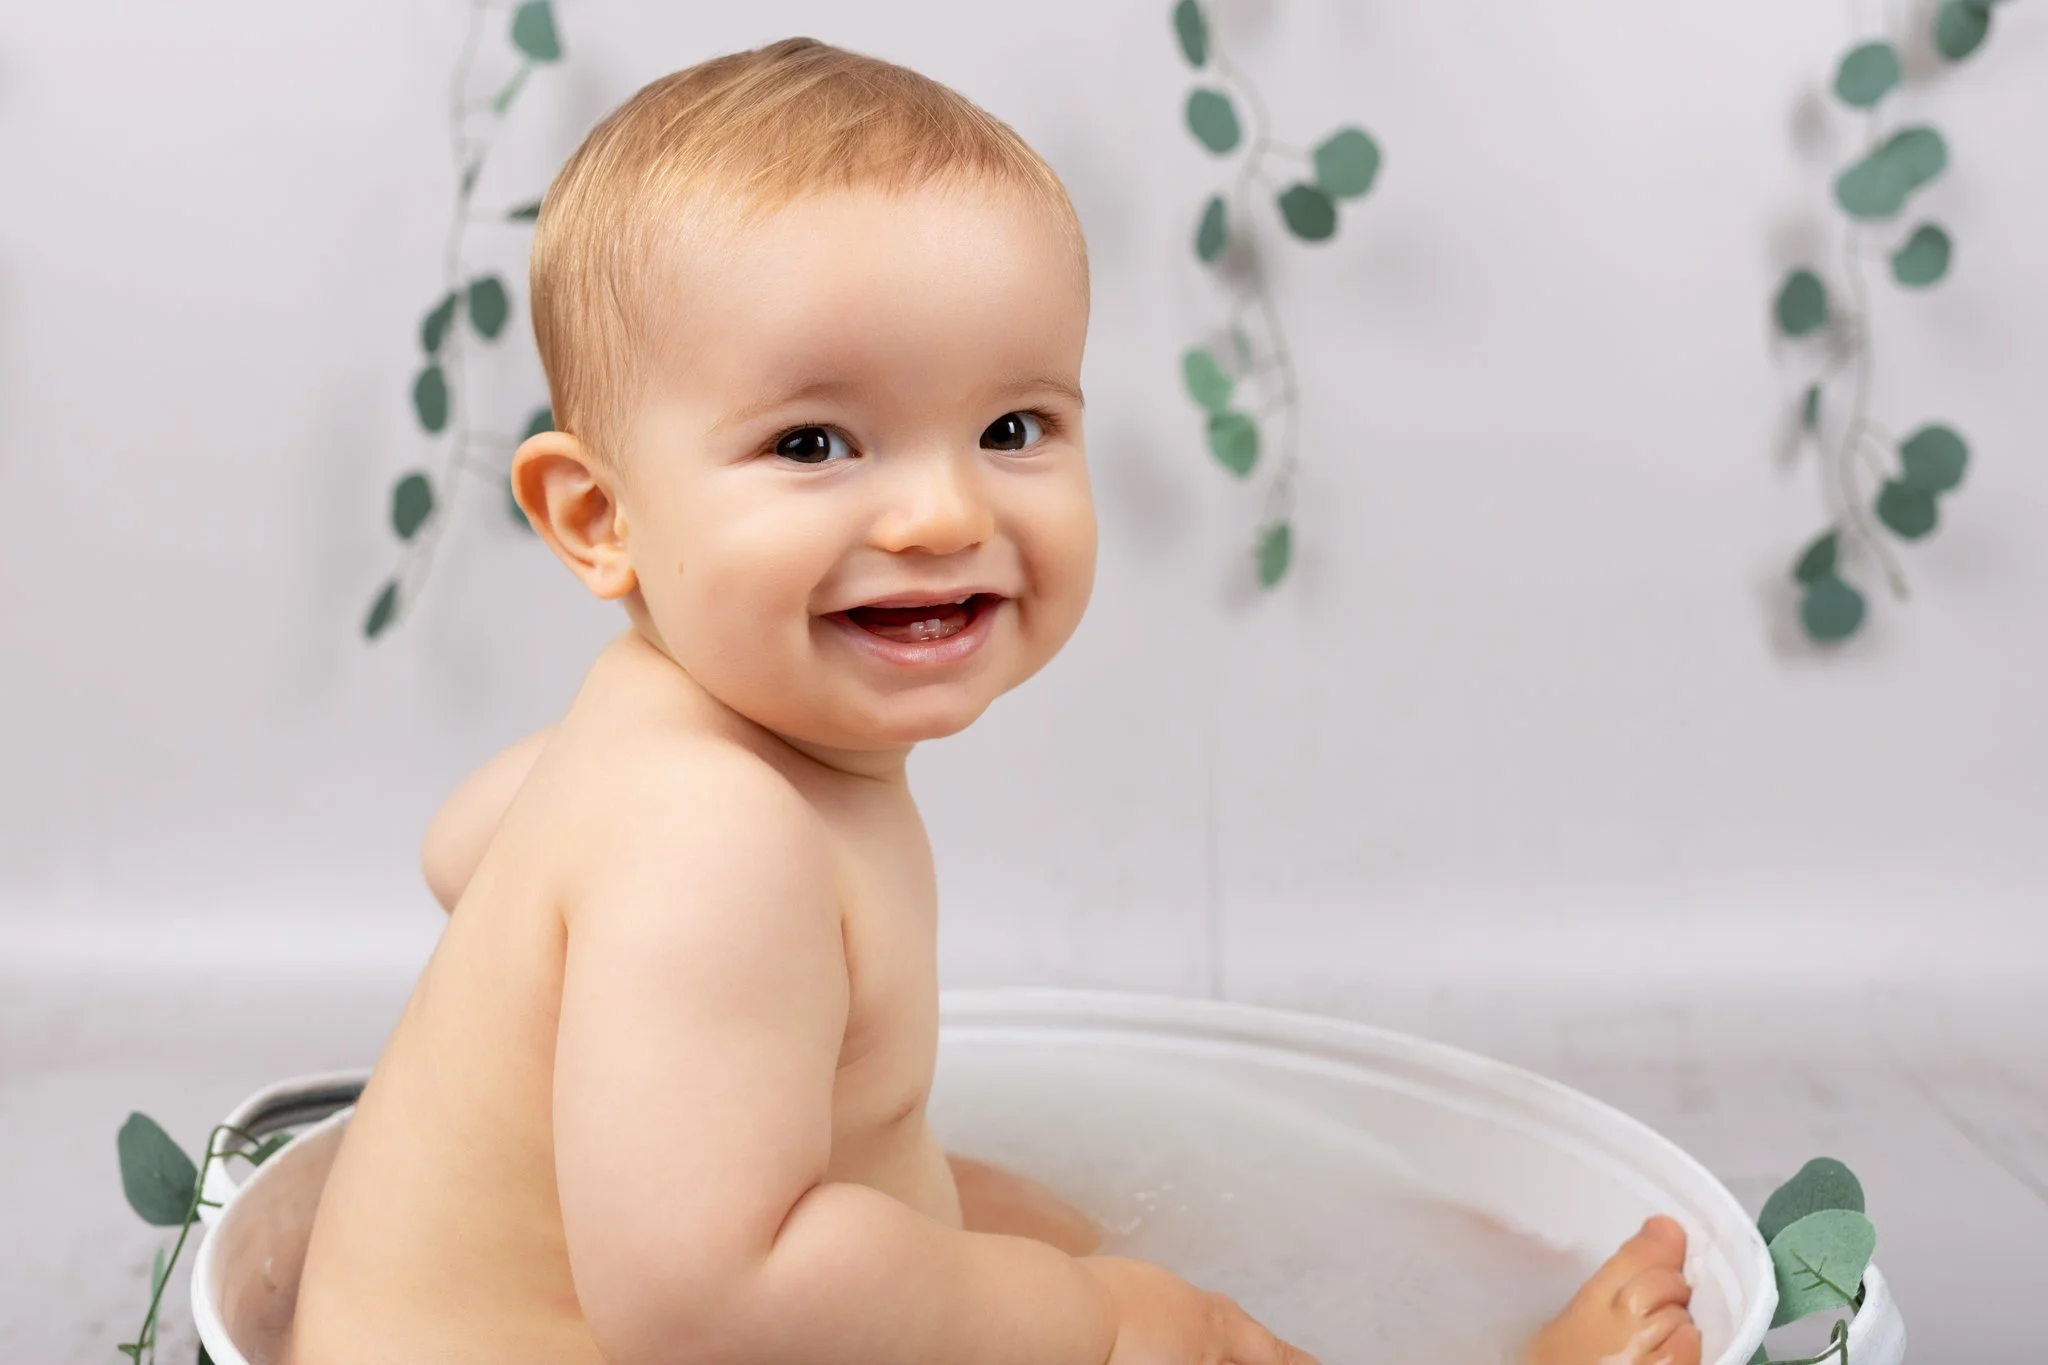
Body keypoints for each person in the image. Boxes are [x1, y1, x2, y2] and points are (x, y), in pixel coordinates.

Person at [291, 38, 1701, 1365]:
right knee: (1100, 1300)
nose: (939, 511)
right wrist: (1106, 1321)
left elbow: (462, 853)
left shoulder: (639, 739)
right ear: (598, 516)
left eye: (1012, 428)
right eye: (813, 441)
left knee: (1002, 1211)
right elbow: (706, 1309)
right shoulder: (714, 844)